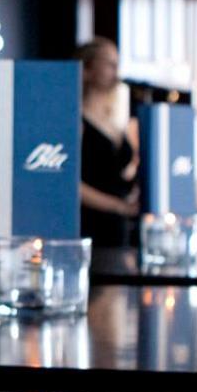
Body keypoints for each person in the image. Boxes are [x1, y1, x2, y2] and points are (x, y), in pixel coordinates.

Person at [78, 38, 139, 247]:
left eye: (117, 63)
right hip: (91, 222)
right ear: (87, 69)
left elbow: (121, 170)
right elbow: (71, 183)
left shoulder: (115, 118)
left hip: (120, 225)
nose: (116, 70)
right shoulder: (76, 120)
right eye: (109, 63)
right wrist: (117, 206)